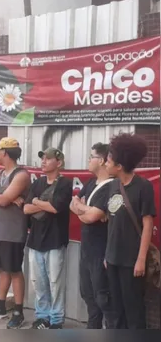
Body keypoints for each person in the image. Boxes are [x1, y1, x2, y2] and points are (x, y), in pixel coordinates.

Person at [102, 133, 155, 329]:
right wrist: (108, 254)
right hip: (113, 258)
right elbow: (112, 222)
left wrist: (141, 259)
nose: (105, 164)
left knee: (134, 311)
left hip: (131, 261)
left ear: (119, 166)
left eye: (108, 160)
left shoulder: (143, 186)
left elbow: (147, 224)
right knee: (117, 311)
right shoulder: (113, 185)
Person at [0, 137, 31, 329]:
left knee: (15, 270)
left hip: (13, 231)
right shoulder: (0, 173)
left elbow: (0, 200)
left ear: (6, 153)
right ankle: (0, 306)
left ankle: (18, 311)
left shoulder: (21, 175)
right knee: (3, 269)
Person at [23, 148, 73, 329]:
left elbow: (55, 208)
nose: (43, 162)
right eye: (42, 159)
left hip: (55, 239)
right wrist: (39, 204)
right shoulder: (37, 183)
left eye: (48, 159)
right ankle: (42, 316)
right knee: (38, 281)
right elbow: (25, 209)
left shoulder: (65, 184)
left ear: (58, 163)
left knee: (55, 282)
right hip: (35, 240)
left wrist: (36, 202)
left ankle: (56, 319)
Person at [69, 142, 115, 329]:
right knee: (88, 294)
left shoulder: (111, 186)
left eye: (91, 157)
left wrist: (87, 211)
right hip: (86, 250)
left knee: (103, 297)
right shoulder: (90, 182)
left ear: (102, 160)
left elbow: (92, 217)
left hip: (101, 251)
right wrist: (86, 210)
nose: (88, 160)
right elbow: (74, 204)